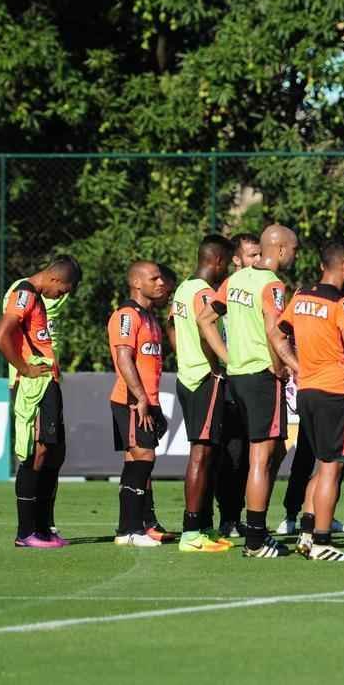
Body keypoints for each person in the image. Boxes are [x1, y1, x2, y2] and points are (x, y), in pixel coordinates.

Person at [199, 224, 300, 558]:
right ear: (282, 249)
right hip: (260, 375)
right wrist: (281, 364)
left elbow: (204, 319)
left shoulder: (235, 279)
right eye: (294, 249)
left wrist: (227, 358)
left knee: (265, 452)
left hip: (238, 376)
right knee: (262, 455)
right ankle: (256, 539)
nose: (295, 255)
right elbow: (275, 329)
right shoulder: (272, 284)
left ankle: (256, 532)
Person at [276, 241, 344, 562]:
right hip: (332, 389)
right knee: (333, 466)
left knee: (321, 463)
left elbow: (278, 333)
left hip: (306, 390)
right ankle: (323, 541)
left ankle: (308, 532)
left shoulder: (299, 296)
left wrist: (293, 364)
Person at [0, 255, 82, 548]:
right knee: (36, 453)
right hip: (35, 385)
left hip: (48, 383)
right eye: (64, 289)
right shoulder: (25, 293)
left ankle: (43, 528)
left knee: (54, 453)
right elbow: (0, 336)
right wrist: (24, 367)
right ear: (55, 279)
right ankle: (26, 532)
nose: (63, 295)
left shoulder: (37, 298)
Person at [169, 235, 234, 553]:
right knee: (202, 452)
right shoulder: (205, 293)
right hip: (204, 379)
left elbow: (171, 326)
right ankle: (191, 530)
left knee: (209, 453)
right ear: (218, 261)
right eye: (229, 263)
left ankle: (204, 526)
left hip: (188, 376)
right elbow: (206, 331)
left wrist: (184, 355)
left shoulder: (183, 288)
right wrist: (218, 363)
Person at [108, 261, 169, 548]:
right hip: (132, 401)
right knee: (143, 459)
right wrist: (141, 398)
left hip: (147, 402)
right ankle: (130, 530)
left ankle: (132, 528)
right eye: (154, 278)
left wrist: (154, 405)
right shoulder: (127, 315)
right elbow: (123, 358)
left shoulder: (150, 318)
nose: (160, 283)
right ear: (136, 284)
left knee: (136, 461)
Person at [215, 233, 261, 538]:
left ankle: (239, 516)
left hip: (253, 377)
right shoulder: (226, 289)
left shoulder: (261, 285)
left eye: (259, 255)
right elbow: (205, 324)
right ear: (236, 260)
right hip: (229, 380)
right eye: (250, 255)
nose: (256, 261)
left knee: (248, 454)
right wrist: (226, 360)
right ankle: (225, 518)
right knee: (229, 454)